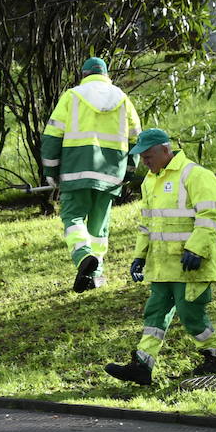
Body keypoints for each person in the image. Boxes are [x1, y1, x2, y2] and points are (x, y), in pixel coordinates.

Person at [105, 128, 216, 386]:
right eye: (142, 158)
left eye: (148, 156)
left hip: (192, 263)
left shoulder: (195, 175)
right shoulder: (150, 180)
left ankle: (215, 355)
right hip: (161, 265)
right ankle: (142, 364)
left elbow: (210, 216)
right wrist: (140, 256)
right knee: (155, 314)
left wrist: (196, 248)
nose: (145, 162)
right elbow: (147, 224)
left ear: (165, 150)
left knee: (189, 313)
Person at [40, 56, 141, 293]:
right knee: (99, 226)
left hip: (75, 170)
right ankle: (94, 275)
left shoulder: (72, 96)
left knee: (73, 218)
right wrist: (129, 170)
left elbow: (52, 138)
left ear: (83, 75)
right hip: (111, 173)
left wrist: (51, 172)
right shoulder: (123, 99)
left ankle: (83, 255)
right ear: (107, 75)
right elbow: (137, 138)